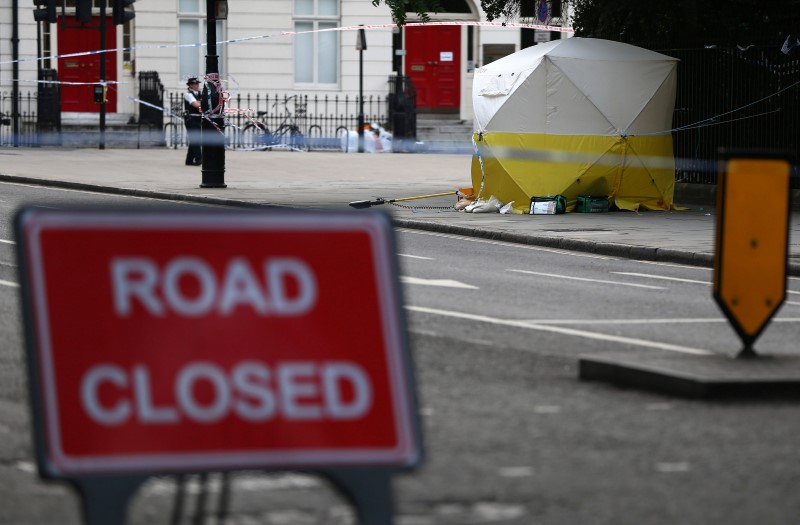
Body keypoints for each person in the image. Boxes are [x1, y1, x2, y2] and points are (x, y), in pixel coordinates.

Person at [183, 78, 203, 166]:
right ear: (190, 85)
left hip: (199, 118)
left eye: (197, 84)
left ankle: (189, 160)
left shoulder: (200, 94)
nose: (197, 85)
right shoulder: (188, 94)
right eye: (195, 84)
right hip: (191, 119)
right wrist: (202, 103)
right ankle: (199, 158)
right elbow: (196, 105)